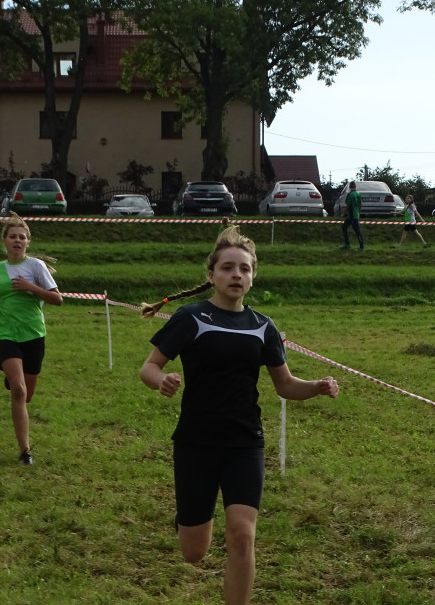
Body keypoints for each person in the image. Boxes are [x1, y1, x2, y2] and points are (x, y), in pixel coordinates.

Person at [138, 225, 339, 605]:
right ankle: (187, 522)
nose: (236, 275)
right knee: (193, 552)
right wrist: (160, 380)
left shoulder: (263, 327)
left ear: (252, 277)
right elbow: (148, 366)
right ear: (212, 275)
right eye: (228, 268)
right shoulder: (191, 318)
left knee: (243, 535)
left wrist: (315, 386)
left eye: (244, 269)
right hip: (196, 442)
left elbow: (284, 384)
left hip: (245, 443)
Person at [0, 214, 62, 465]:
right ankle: (25, 451)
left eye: (22, 237)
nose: (17, 240)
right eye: (13, 236)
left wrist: (30, 287)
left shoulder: (36, 268)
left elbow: (57, 299)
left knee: (26, 395)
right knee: (19, 391)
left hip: (33, 334)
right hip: (6, 334)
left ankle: (13, 379)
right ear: (4, 241)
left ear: (28, 242)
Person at [340, 181, 364, 251]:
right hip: (355, 214)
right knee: (344, 227)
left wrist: (344, 213)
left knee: (357, 231)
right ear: (355, 186)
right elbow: (360, 205)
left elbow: (348, 205)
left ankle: (361, 246)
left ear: (350, 187)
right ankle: (347, 244)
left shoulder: (350, 194)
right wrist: (359, 212)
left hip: (352, 215)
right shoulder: (358, 194)